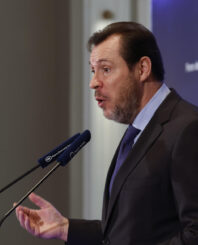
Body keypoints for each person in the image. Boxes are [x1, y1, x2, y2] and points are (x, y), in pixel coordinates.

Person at [15, 21, 198, 244]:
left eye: (106, 69)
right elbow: (127, 232)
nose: (93, 82)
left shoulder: (187, 128)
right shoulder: (137, 132)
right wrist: (65, 228)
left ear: (142, 69)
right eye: (93, 71)